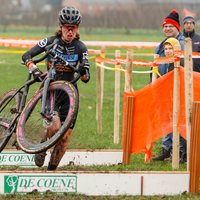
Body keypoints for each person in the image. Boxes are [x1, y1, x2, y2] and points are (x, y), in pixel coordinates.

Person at [22, 6, 90, 170]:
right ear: (61, 26)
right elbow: (26, 56)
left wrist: (82, 72)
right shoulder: (50, 41)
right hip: (51, 90)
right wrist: (34, 69)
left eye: (73, 28)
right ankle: (44, 141)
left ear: (77, 28)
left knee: (64, 137)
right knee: (55, 126)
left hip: (70, 94)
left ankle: (51, 172)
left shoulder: (81, 47)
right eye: (67, 27)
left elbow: (86, 78)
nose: (70, 31)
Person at [151, 10, 186, 162]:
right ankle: (167, 149)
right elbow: (154, 67)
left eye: (171, 26)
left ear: (177, 28)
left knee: (178, 119)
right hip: (162, 87)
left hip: (178, 88)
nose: (167, 29)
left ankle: (180, 151)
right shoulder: (160, 46)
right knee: (165, 119)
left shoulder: (184, 43)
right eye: (165, 26)